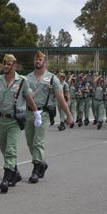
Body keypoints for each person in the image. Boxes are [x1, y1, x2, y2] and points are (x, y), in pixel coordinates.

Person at [0, 54, 38, 192]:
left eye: (8, 64)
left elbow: (29, 98)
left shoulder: (22, 81)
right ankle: (15, 172)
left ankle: (6, 178)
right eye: (4, 63)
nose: (5, 66)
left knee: (10, 149)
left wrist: (36, 112)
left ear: (15, 66)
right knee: (4, 149)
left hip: (14, 121)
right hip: (1, 119)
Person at [24, 51, 73, 183]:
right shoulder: (27, 78)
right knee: (30, 142)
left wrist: (68, 115)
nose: (37, 61)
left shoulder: (52, 79)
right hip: (29, 113)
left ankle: (36, 169)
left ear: (45, 63)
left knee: (38, 142)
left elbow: (61, 99)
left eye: (40, 59)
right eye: (36, 59)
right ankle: (42, 163)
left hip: (43, 114)